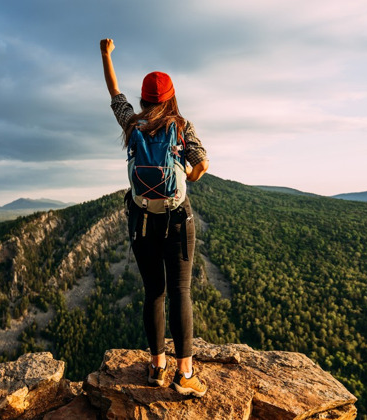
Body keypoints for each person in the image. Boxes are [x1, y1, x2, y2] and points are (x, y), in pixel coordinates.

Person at [100, 38, 209, 397]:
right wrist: (188, 177)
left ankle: (157, 368)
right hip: (177, 218)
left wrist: (106, 55)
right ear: (171, 97)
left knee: (154, 293)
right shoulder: (181, 125)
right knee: (181, 291)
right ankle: (186, 375)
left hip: (142, 219)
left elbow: (115, 92)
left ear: (145, 98)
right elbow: (201, 163)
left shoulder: (132, 123)